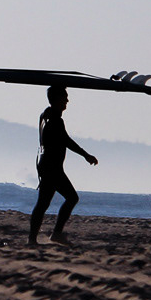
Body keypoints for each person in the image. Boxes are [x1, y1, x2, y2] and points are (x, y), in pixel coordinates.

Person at [28, 85, 96, 245]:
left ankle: (32, 239)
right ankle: (55, 234)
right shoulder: (55, 120)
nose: (67, 100)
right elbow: (66, 141)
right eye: (64, 97)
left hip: (45, 165)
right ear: (57, 99)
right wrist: (86, 155)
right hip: (52, 167)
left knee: (43, 204)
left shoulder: (45, 115)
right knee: (72, 198)